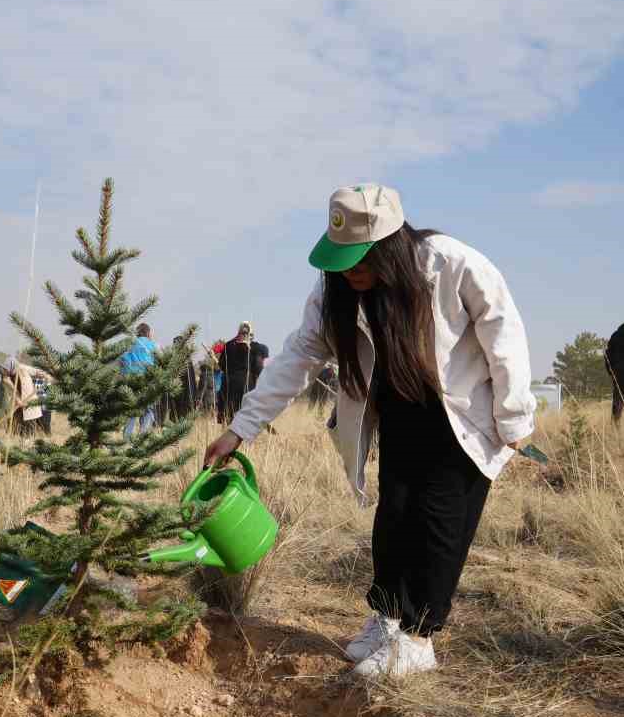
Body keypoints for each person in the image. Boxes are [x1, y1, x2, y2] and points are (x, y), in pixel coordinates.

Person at [203, 183, 534, 681]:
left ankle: (418, 639)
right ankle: (388, 618)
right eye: (341, 257)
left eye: (361, 257)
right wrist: (240, 429)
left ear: (392, 242)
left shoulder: (449, 263)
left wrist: (513, 416)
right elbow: (298, 357)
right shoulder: (333, 287)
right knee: (395, 515)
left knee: (438, 521)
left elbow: (503, 332)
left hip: (460, 412)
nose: (350, 268)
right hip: (397, 411)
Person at [219, 323, 269, 422]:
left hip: (229, 384)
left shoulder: (228, 345)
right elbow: (258, 367)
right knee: (246, 415)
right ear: (251, 334)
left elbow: (222, 365)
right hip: (247, 384)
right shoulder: (255, 347)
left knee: (229, 414)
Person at [120, 323, 158, 437]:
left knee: (131, 411)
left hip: (131, 382)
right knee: (148, 410)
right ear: (148, 332)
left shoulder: (130, 344)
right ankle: (143, 437)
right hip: (147, 382)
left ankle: (126, 438)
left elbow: (123, 361)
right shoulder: (152, 345)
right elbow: (159, 362)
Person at [0, 357, 52, 434]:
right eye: (5, 369)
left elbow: (35, 371)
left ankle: (29, 442)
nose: (5, 371)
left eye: (6, 369)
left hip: (29, 404)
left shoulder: (22, 368)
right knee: (15, 428)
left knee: (29, 428)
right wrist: (18, 401)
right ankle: (14, 443)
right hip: (16, 406)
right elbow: (13, 392)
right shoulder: (6, 380)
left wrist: (45, 376)